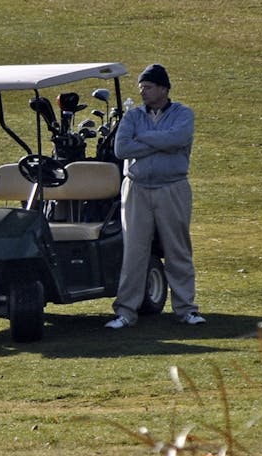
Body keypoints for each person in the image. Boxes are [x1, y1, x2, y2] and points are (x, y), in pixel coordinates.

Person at [106, 63, 204, 328]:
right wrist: (159, 142)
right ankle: (126, 311)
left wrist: (144, 139)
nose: (143, 93)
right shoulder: (132, 116)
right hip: (136, 188)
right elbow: (122, 148)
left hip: (171, 187)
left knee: (177, 249)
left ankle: (186, 309)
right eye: (141, 88)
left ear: (163, 88)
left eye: (148, 87)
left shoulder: (183, 114)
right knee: (134, 251)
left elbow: (177, 139)